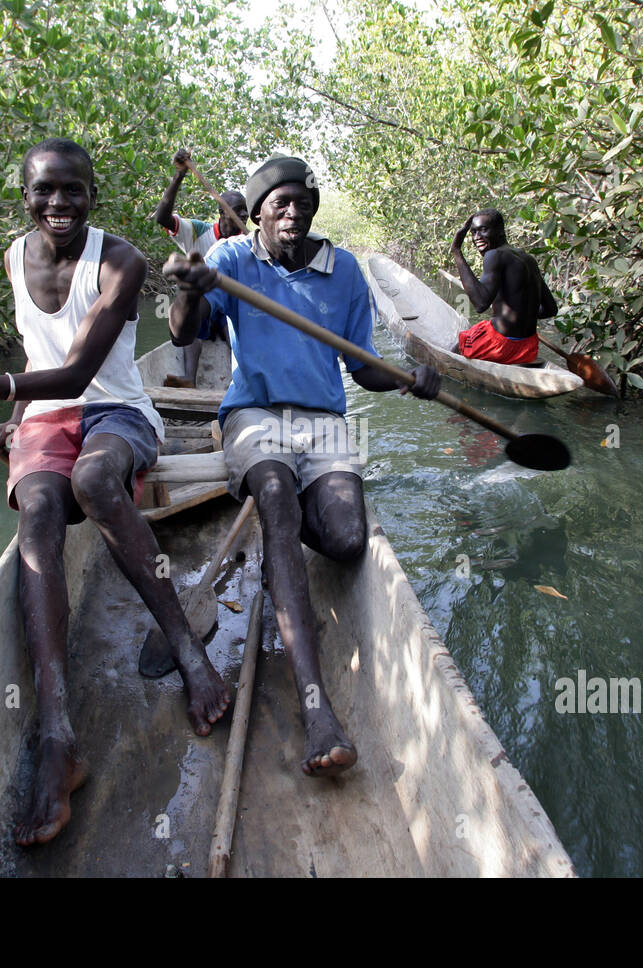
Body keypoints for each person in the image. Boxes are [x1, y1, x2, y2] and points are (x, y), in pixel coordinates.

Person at [0, 138, 231, 846]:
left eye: (73, 190)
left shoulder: (121, 261)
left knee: (97, 478)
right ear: (26, 198)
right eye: (45, 191)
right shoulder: (15, 257)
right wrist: (8, 426)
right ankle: (57, 733)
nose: (59, 204)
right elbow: (36, 361)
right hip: (43, 415)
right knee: (38, 510)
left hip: (118, 414)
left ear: (93, 196)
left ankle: (188, 650)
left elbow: (76, 377)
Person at [167, 156, 440, 777]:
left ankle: (280, 551)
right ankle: (317, 708)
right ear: (258, 212)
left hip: (323, 422)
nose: (293, 214)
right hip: (256, 413)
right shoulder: (233, 258)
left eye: (302, 202)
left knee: (346, 540)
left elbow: (364, 365)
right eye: (279, 204)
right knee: (274, 490)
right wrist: (188, 286)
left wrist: (409, 381)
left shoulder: (343, 270)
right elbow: (184, 336)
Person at [153, 148, 248, 388]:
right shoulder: (198, 231)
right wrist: (179, 176)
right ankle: (189, 380)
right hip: (202, 306)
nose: (243, 218)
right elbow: (162, 218)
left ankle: (243, 378)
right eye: (237, 212)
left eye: (245, 214)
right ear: (221, 213)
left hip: (227, 308)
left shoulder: (246, 242)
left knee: (234, 319)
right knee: (189, 315)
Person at [449, 208, 558, 366]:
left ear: (500, 231)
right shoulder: (528, 259)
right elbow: (550, 309)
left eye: (483, 230)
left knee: (459, 345)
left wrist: (456, 251)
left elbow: (480, 304)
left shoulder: (494, 255)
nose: (477, 237)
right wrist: (522, 317)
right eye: (473, 232)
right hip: (529, 347)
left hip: (501, 347)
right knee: (480, 329)